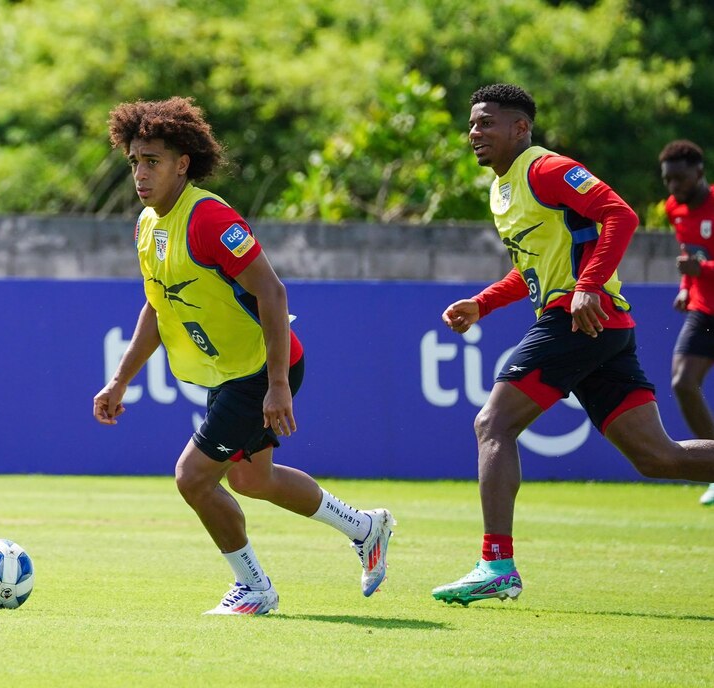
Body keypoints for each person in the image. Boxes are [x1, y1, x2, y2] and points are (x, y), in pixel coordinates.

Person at [93, 96, 394, 615]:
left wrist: (277, 385)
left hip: (260, 367)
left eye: (153, 161)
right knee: (253, 479)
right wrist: (120, 380)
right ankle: (366, 528)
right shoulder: (147, 224)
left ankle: (255, 587)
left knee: (192, 478)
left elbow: (272, 293)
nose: (140, 173)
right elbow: (157, 305)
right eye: (135, 162)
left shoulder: (209, 218)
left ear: (182, 163)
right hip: (233, 370)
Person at [433, 84, 714, 606]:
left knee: (492, 423)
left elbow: (621, 215)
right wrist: (484, 303)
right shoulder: (502, 189)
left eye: (487, 123)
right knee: (658, 458)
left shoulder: (546, 169)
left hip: (577, 319)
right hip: (596, 326)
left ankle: (496, 564)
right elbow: (533, 270)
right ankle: (496, 565)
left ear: (520, 128)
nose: (475, 133)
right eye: (472, 124)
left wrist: (586, 286)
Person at [659, 139, 714, 507]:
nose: (673, 186)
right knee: (682, 382)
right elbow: (689, 255)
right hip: (704, 310)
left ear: (699, 172)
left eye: (680, 178)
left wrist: (702, 270)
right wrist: (686, 285)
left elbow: (700, 260)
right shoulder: (674, 208)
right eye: (667, 180)